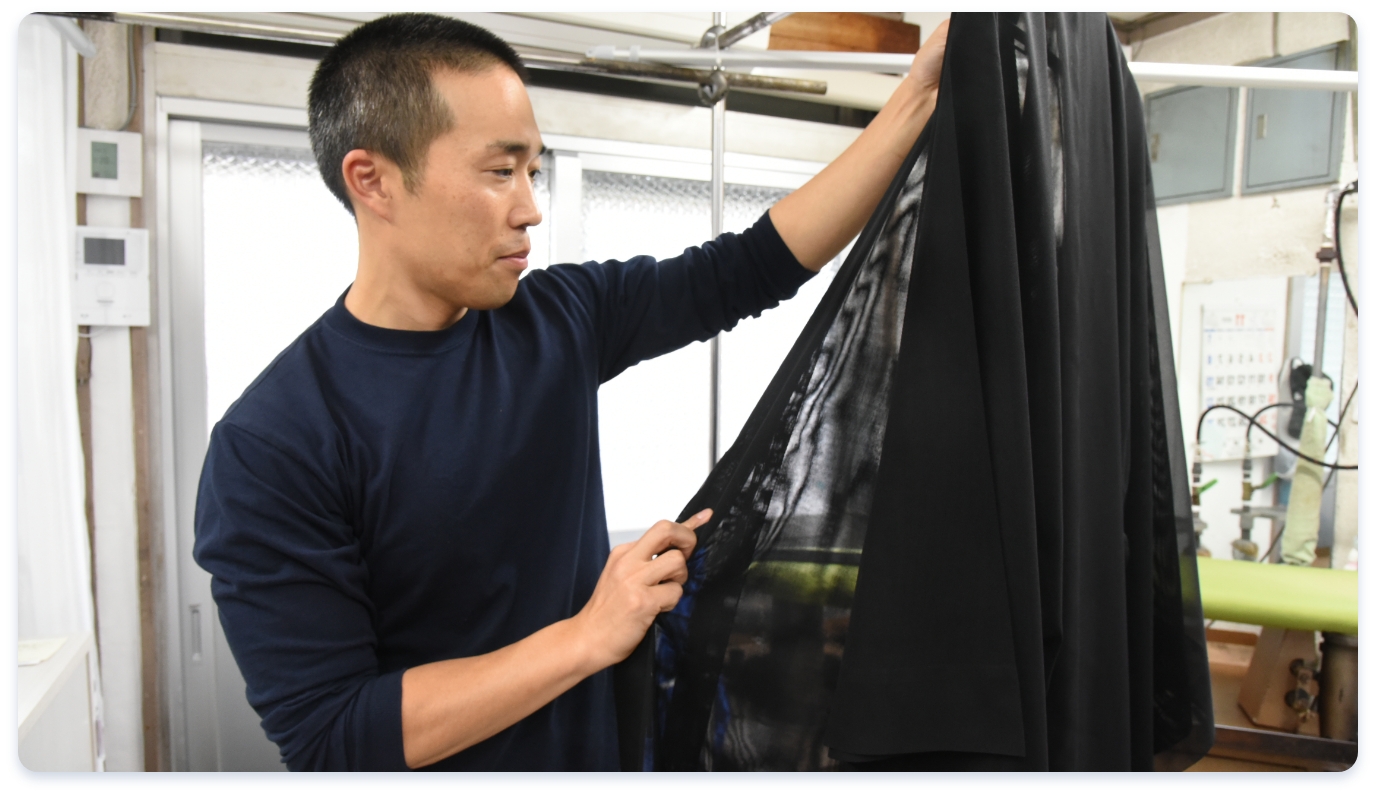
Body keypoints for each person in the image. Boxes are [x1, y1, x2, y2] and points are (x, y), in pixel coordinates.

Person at [193, 12, 948, 771]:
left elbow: (749, 267)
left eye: (532, 170)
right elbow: (333, 735)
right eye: (500, 171)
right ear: (373, 181)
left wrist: (917, 97)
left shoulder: (557, 317)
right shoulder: (275, 444)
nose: (529, 206)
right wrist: (588, 635)